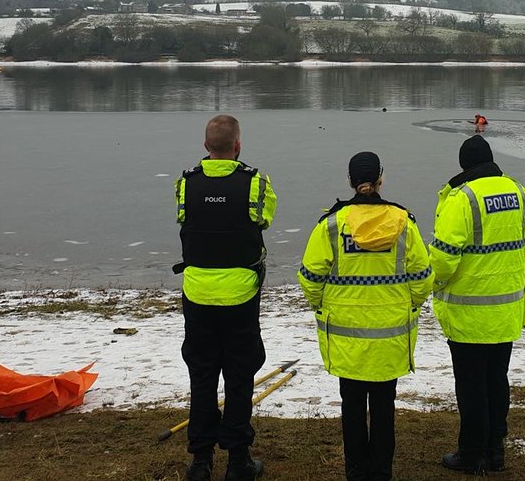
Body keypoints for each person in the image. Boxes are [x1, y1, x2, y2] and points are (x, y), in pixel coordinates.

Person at [298, 152, 433, 481]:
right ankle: (381, 471)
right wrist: (409, 305)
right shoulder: (403, 222)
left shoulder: (332, 224)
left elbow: (311, 277)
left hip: (347, 338)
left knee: (352, 405)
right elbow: (423, 277)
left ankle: (356, 471)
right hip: (391, 334)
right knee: (385, 405)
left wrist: (322, 306)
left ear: (350, 181)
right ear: (380, 179)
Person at [174, 114, 277, 481]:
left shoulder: (186, 183)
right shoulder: (256, 182)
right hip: (240, 293)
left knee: (202, 374)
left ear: (206, 146)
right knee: (239, 374)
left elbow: (184, 218)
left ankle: (200, 462)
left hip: (197, 292)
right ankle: (238, 460)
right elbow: (264, 219)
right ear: (238, 145)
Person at [431, 136, 525, 474]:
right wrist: (505, 273)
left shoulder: (462, 198)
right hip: (506, 309)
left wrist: (437, 284)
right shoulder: (520, 192)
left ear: (464, 165)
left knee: (471, 385)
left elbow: (444, 259)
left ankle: (471, 453)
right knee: (497, 379)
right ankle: (495, 449)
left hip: (468, 312)